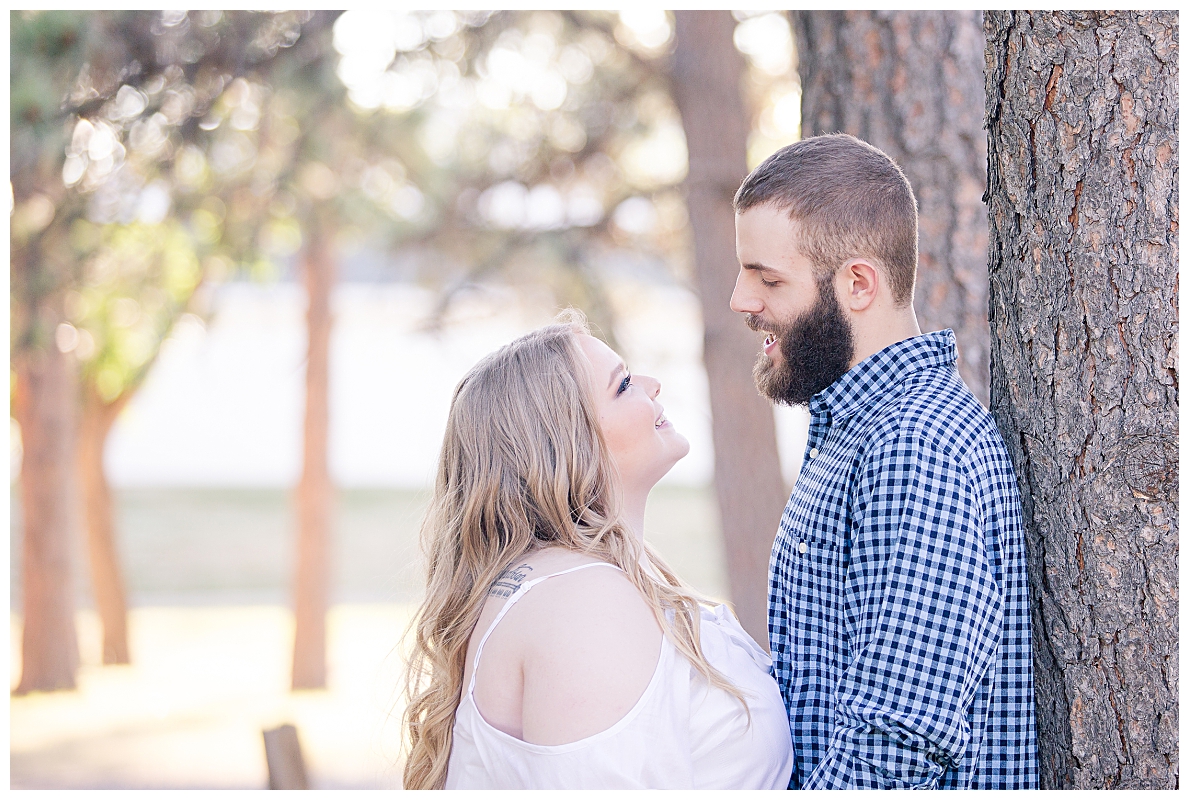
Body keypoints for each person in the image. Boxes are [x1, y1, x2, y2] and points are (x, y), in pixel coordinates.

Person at [730, 133, 1038, 789]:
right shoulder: (858, 429)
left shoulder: (914, 445)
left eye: (767, 278)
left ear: (858, 284)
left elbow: (895, 745)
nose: (740, 299)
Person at [400, 310, 793, 790]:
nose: (652, 385)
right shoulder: (584, 604)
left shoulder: (562, 582)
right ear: (566, 443)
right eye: (623, 384)